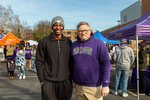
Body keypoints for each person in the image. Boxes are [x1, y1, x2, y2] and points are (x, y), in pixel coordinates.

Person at [70, 21, 111, 100]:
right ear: (77, 32)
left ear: (90, 31)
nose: (83, 32)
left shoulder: (99, 44)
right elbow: (72, 64)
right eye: (80, 31)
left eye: (85, 30)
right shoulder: (74, 45)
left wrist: (106, 84)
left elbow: (106, 64)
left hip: (94, 87)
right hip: (79, 86)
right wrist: (74, 80)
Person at [35, 16, 73, 100]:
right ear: (52, 26)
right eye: (55, 25)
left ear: (63, 27)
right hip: (48, 81)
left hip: (65, 80)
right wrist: (42, 80)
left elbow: (72, 61)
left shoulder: (68, 42)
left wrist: (72, 79)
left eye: (60, 25)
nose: (58, 27)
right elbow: (39, 61)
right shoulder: (44, 42)